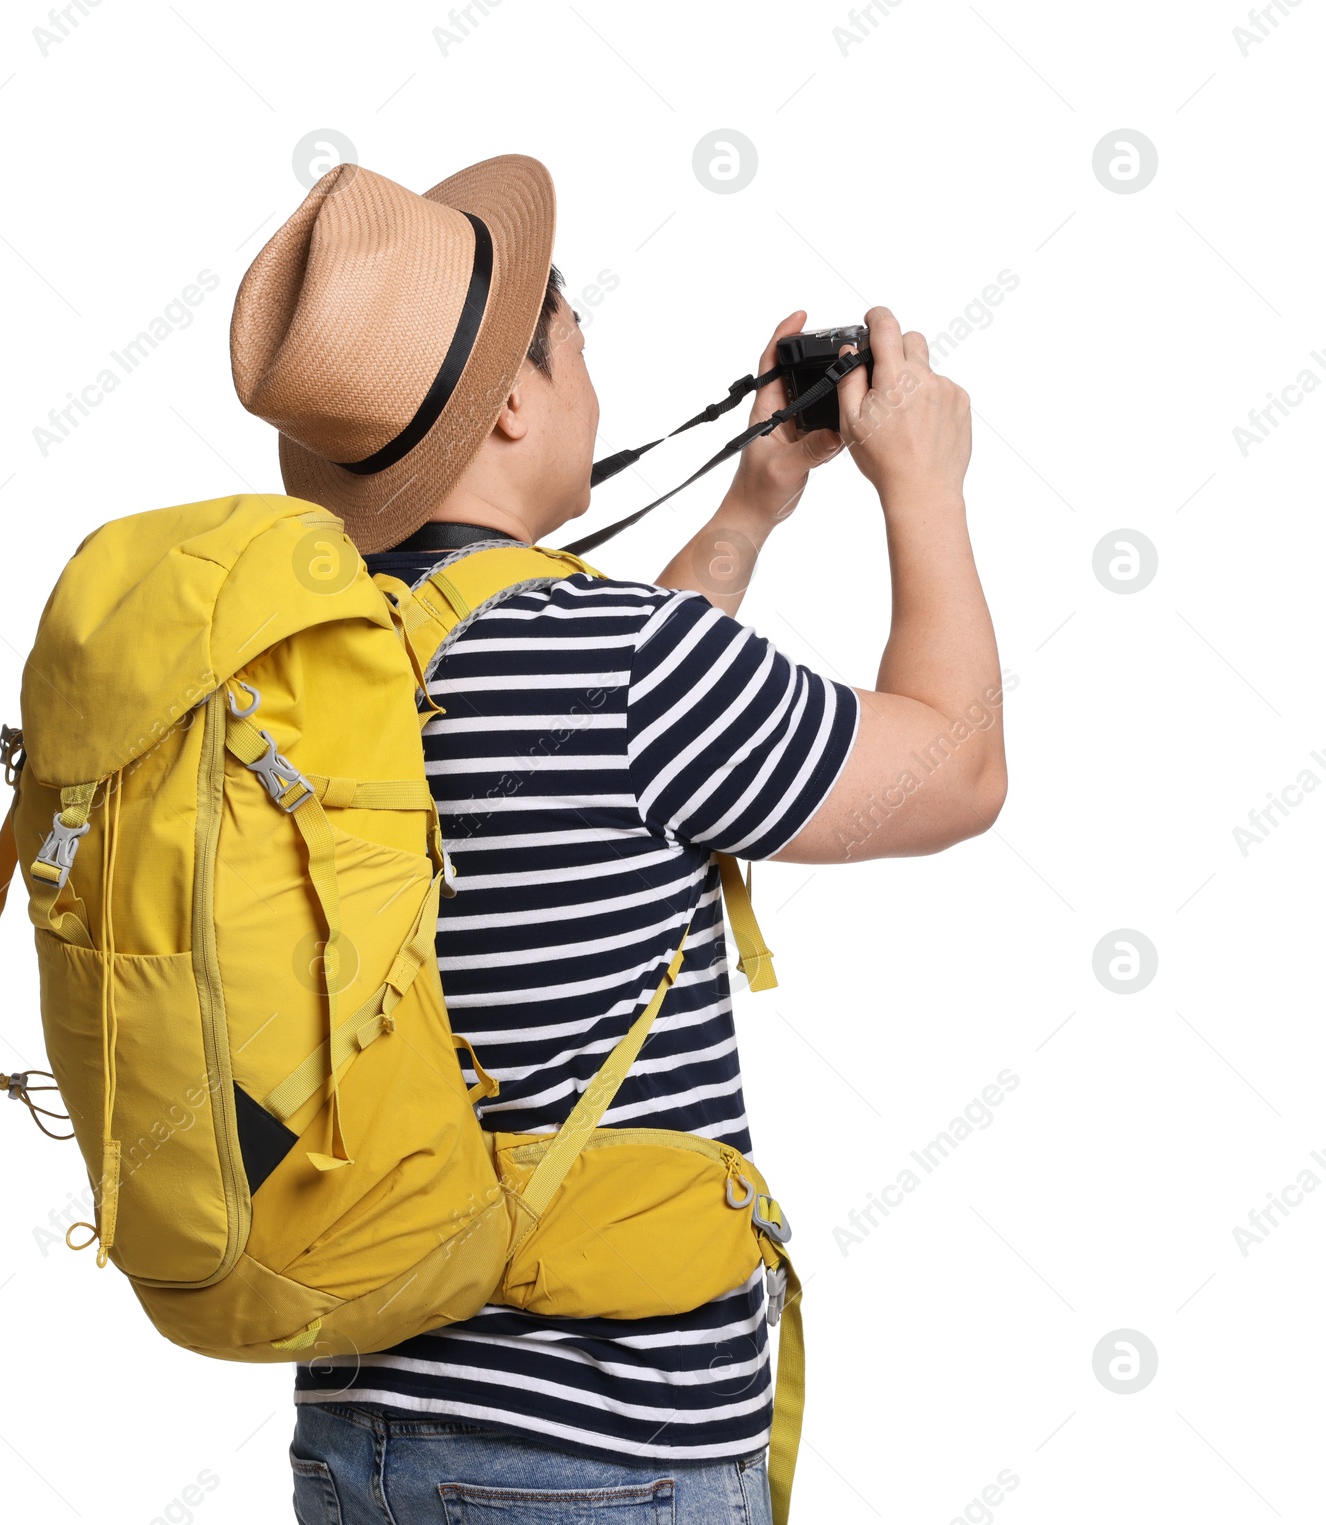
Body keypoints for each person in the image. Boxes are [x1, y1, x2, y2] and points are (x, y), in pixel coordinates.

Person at [230, 153, 1005, 1525]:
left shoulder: (302, 671)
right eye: (576, 339)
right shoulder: (628, 670)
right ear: (517, 402)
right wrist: (923, 485)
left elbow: (593, 728)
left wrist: (753, 504)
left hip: (359, 1435)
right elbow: (956, 768)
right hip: (598, 1454)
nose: (593, 374)